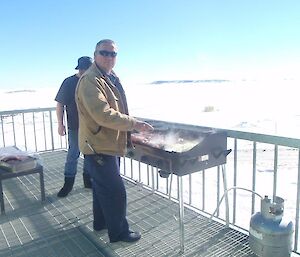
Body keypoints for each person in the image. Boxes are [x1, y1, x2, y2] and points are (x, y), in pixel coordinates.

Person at [75, 39, 153, 243]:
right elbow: (103, 114)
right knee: (115, 191)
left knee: (102, 188)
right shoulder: (90, 79)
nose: (109, 57)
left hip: (107, 143)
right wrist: (134, 124)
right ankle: (118, 233)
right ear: (95, 54)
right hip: (98, 145)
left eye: (113, 54)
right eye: (105, 53)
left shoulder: (108, 77)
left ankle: (100, 223)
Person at [55, 56, 93, 197]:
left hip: (91, 128)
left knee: (90, 154)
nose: (86, 72)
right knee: (73, 155)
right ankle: (68, 184)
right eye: (84, 69)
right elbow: (60, 104)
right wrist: (60, 124)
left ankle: (88, 181)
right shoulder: (69, 82)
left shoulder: (92, 81)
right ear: (80, 69)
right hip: (75, 127)